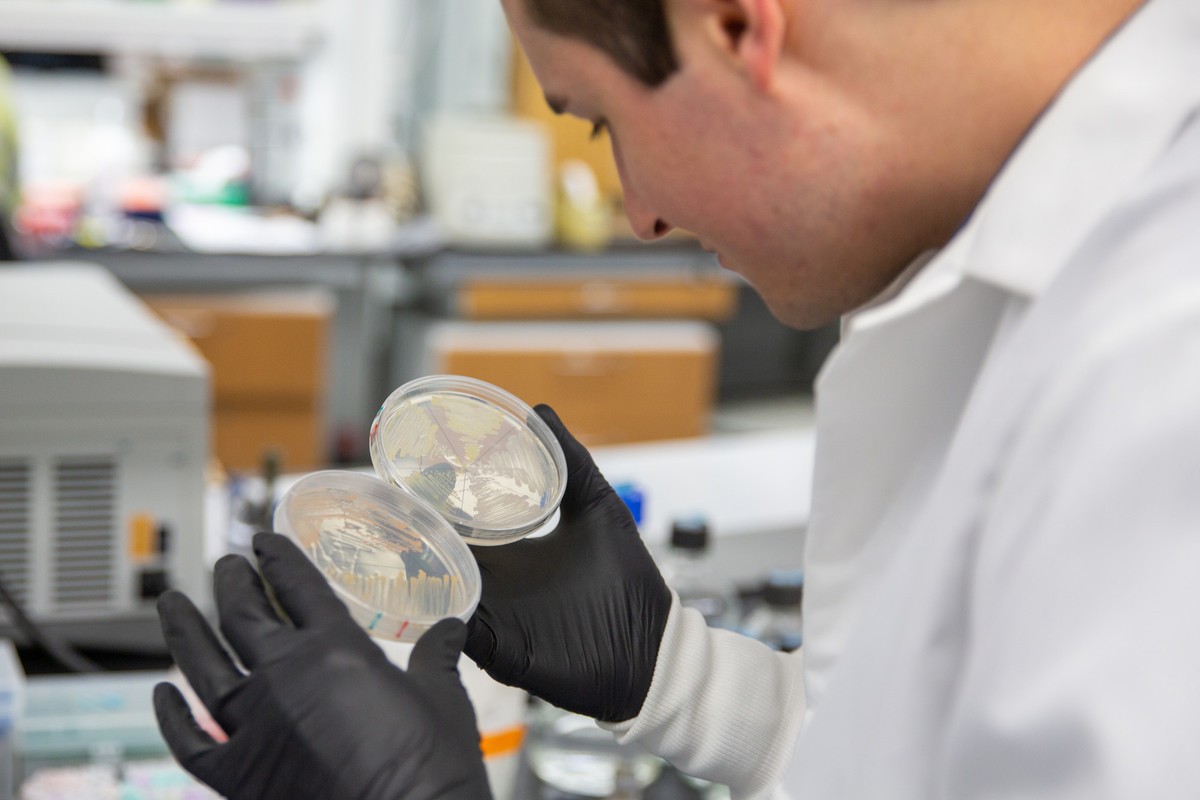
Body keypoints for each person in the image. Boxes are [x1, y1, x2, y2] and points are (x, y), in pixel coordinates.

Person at [154, 0, 1200, 797]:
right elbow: (907, 761)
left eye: (602, 120)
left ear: (739, 26)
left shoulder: (1159, 371)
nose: (640, 214)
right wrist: (681, 679)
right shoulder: (978, 265)